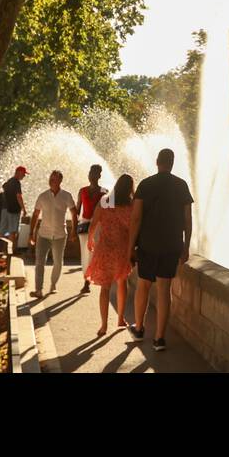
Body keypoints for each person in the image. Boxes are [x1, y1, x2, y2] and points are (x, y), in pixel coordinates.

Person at [129, 148, 193, 352]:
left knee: (144, 285)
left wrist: (130, 246)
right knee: (165, 289)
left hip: (147, 244)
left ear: (157, 162)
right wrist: (186, 246)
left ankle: (139, 329)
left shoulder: (145, 185)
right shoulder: (181, 185)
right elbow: (188, 220)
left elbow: (136, 218)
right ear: (172, 163)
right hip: (171, 244)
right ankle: (159, 339)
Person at [85, 174, 135, 336]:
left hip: (105, 248)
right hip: (122, 249)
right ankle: (120, 318)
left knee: (105, 288)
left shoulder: (105, 201)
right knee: (122, 283)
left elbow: (94, 222)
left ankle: (104, 325)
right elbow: (135, 227)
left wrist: (90, 239)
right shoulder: (131, 205)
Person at [29, 170, 78, 298]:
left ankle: (53, 284)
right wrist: (31, 233)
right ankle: (38, 289)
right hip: (43, 234)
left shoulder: (66, 196)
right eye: (50, 179)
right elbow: (35, 215)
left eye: (54, 179)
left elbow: (74, 213)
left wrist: (74, 231)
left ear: (60, 181)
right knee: (39, 262)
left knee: (58, 262)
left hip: (60, 235)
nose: (51, 181)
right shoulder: (43, 196)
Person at [76, 165, 109, 295]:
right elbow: (78, 210)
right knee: (85, 254)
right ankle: (87, 279)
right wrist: (74, 227)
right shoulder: (82, 191)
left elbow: (110, 212)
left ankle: (89, 281)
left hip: (98, 226)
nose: (92, 176)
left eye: (95, 173)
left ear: (99, 176)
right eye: (91, 173)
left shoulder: (105, 192)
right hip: (84, 225)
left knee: (92, 254)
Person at [0, 166, 28, 254]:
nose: (24, 176)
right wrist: (24, 209)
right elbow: (18, 196)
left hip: (5, 209)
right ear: (18, 172)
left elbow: (4, 195)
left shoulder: (9, 182)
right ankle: (12, 251)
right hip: (13, 210)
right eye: (23, 174)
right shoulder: (16, 183)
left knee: (2, 230)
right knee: (12, 231)